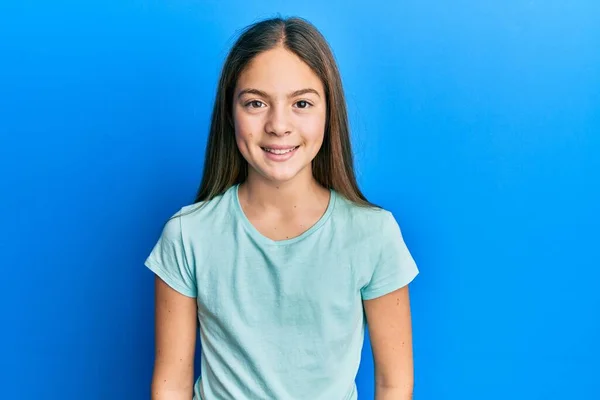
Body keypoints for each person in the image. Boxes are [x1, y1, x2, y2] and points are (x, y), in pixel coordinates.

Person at [144, 15, 419, 400]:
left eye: (301, 103)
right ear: (230, 113)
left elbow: (394, 384)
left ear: (329, 112)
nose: (278, 124)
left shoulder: (373, 234)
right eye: (256, 103)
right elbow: (171, 385)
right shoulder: (188, 235)